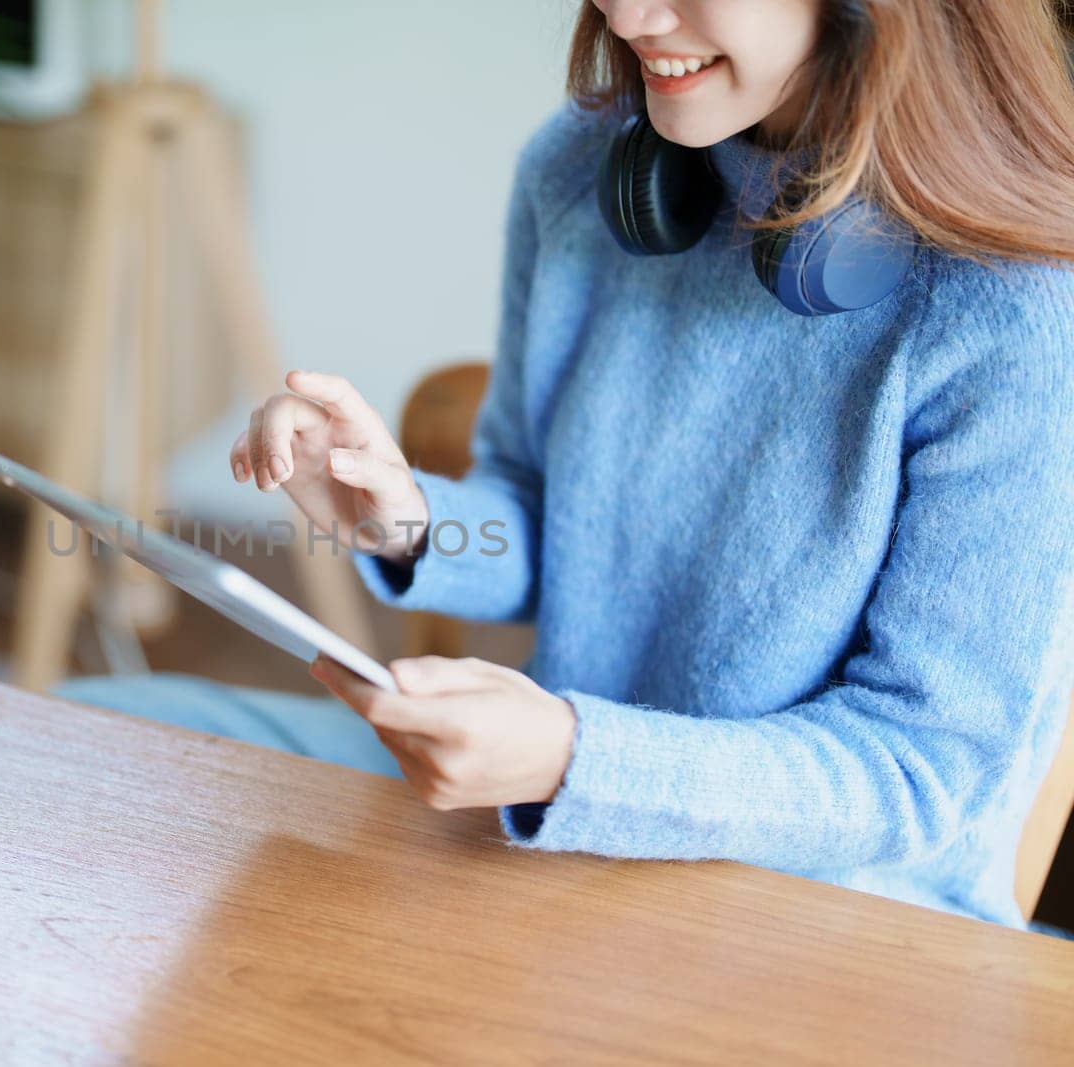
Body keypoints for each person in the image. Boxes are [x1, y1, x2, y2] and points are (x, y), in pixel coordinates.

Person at [56, 0, 1074, 929]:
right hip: (562, 806)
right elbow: (540, 521)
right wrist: (403, 517)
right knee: (85, 742)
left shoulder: (1015, 309)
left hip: (831, 907)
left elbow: (918, 771)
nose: (629, 16)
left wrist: (575, 756)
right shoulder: (579, 175)